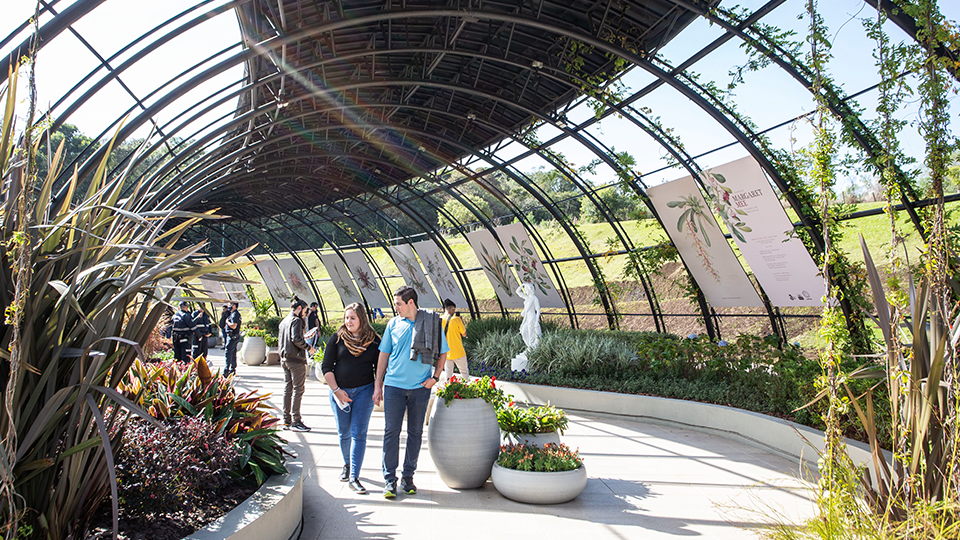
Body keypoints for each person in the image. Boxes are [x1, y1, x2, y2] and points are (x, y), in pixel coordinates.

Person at [374, 286, 448, 499]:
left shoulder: (432, 323)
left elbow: (443, 353)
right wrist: (378, 384)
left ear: (411, 303)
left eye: (398, 303)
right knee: (391, 433)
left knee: (415, 434)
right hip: (394, 387)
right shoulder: (393, 324)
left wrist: (434, 378)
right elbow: (383, 355)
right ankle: (389, 480)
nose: (395, 307)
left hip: (419, 389)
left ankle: (408, 477)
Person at [321, 303, 380, 494]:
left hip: (364, 392)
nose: (348, 322)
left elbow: (380, 367)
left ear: (362, 318)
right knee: (343, 432)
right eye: (346, 318)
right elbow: (326, 367)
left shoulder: (373, 341)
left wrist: (378, 388)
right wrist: (337, 390)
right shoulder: (337, 339)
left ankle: (354, 476)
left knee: (359, 434)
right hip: (340, 394)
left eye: (353, 318)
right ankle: (347, 464)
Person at [279, 299, 316, 431]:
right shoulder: (297, 320)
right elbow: (295, 339)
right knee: (298, 389)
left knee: (288, 389)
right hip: (296, 360)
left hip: (285, 359)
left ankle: (286, 420)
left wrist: (303, 337)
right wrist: (308, 347)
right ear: (299, 308)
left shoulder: (284, 321)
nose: (306, 314)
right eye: (305, 311)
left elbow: (291, 338)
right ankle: (296, 420)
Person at [439, 298, 468, 382]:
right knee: (464, 373)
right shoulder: (456, 319)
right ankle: (466, 390)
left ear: (444, 309)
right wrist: (461, 322)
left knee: (448, 375)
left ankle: (447, 390)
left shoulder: (439, 319)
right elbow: (464, 334)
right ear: (452, 308)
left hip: (446, 353)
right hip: (458, 352)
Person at [224, 302, 242, 377]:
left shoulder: (235, 314)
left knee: (228, 352)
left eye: (231, 305)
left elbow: (234, 326)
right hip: (233, 336)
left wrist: (227, 322)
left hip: (232, 336)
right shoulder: (234, 314)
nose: (229, 306)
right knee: (233, 352)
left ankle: (227, 369)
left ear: (234, 306)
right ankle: (232, 369)